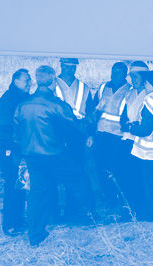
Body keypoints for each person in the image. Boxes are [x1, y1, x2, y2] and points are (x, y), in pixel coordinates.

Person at [14, 65, 95, 246]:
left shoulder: (22, 105)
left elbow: (16, 133)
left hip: (32, 156)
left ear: (37, 81)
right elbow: (78, 128)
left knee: (37, 194)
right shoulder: (57, 105)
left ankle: (35, 236)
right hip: (54, 154)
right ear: (53, 82)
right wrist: (93, 118)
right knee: (80, 180)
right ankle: (89, 217)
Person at [121, 70, 153, 221]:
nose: (144, 85)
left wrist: (130, 128)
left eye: (146, 82)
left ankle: (151, 214)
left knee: (149, 183)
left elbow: (146, 129)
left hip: (148, 149)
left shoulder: (150, 100)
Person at [54, 58, 97, 221]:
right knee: (60, 171)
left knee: (77, 170)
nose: (69, 69)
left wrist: (90, 134)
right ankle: (58, 211)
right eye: (66, 66)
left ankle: (73, 210)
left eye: (72, 67)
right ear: (61, 66)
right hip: (58, 134)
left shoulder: (83, 87)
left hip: (78, 133)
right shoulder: (52, 85)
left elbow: (90, 111)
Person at [0, 68, 31, 237]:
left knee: (21, 184)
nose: (30, 83)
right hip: (10, 150)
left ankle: (19, 220)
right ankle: (9, 225)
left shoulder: (23, 97)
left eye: (30, 80)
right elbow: (0, 126)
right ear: (16, 81)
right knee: (11, 185)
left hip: (20, 150)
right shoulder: (9, 99)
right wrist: (11, 146)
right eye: (26, 80)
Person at [93, 62, 134, 213]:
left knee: (117, 167)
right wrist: (91, 133)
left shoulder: (129, 90)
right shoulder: (103, 87)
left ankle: (120, 198)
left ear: (125, 75)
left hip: (118, 136)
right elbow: (95, 109)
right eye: (113, 72)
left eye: (119, 73)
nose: (115, 76)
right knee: (101, 166)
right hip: (101, 133)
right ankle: (109, 196)